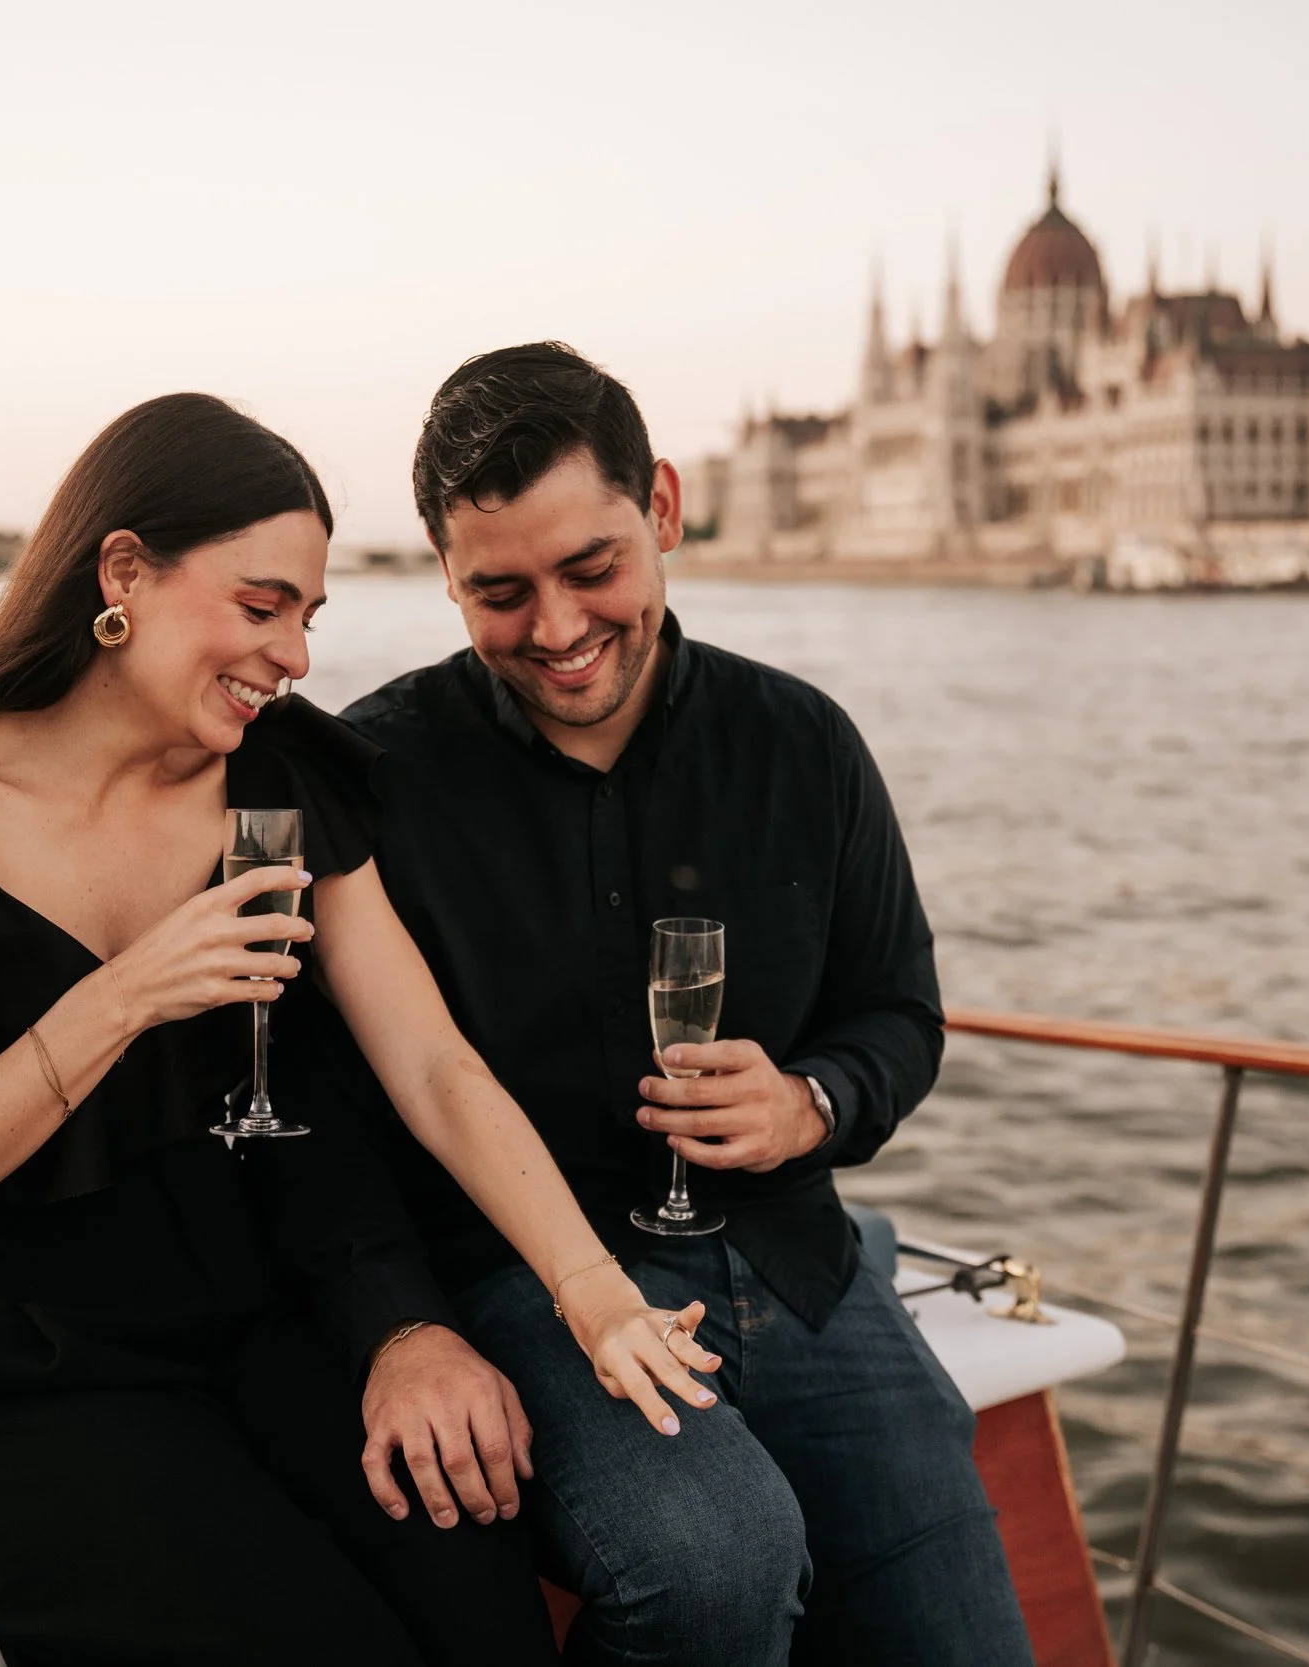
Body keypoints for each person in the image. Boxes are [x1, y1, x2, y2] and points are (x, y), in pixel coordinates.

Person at [0, 393, 723, 1666]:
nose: (298, 655)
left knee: (482, 1611)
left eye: (309, 616)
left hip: (255, 1334)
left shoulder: (282, 775)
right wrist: (126, 992)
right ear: (123, 575)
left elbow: (432, 1066)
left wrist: (595, 1298)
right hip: (15, 1374)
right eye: (262, 606)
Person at [320, 344, 1037, 1666]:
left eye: (591, 567)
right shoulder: (373, 773)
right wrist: (402, 1325)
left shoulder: (804, 741)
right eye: (499, 589)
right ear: (442, 574)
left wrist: (810, 1103)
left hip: (792, 1257)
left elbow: (900, 1013)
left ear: (662, 506)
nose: (555, 627)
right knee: (712, 1562)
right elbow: (335, 1112)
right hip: (524, 1283)